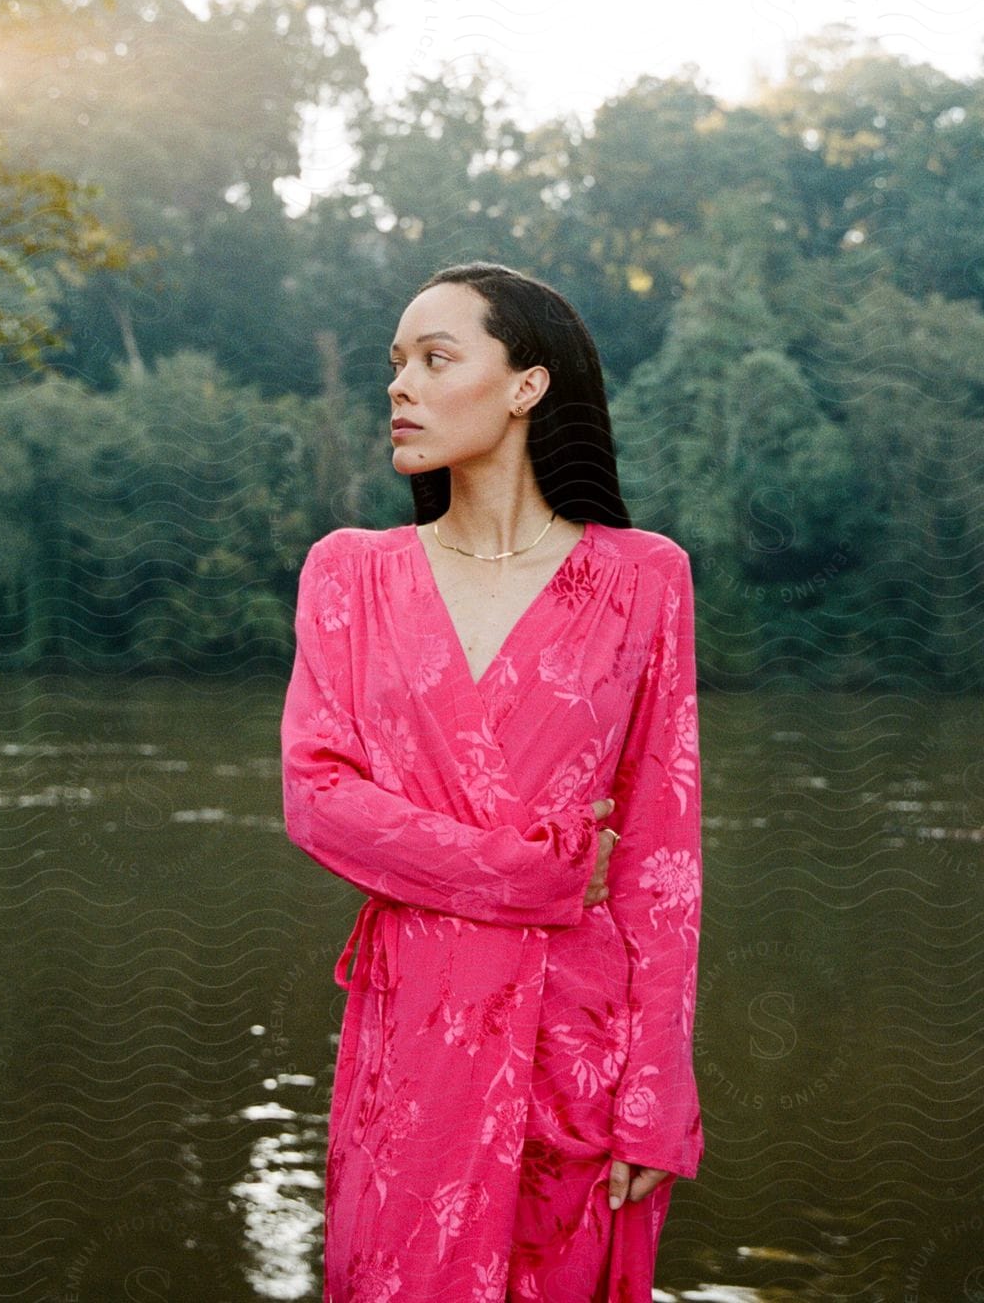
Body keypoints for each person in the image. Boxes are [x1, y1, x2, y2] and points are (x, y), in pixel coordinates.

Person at [281, 260, 705, 1302]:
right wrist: (541, 876)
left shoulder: (642, 579)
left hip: (580, 1042)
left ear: (525, 385)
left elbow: (660, 857)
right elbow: (319, 800)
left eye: (434, 359)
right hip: (412, 1034)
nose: (399, 387)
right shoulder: (351, 573)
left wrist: (654, 1091)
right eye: (394, 365)